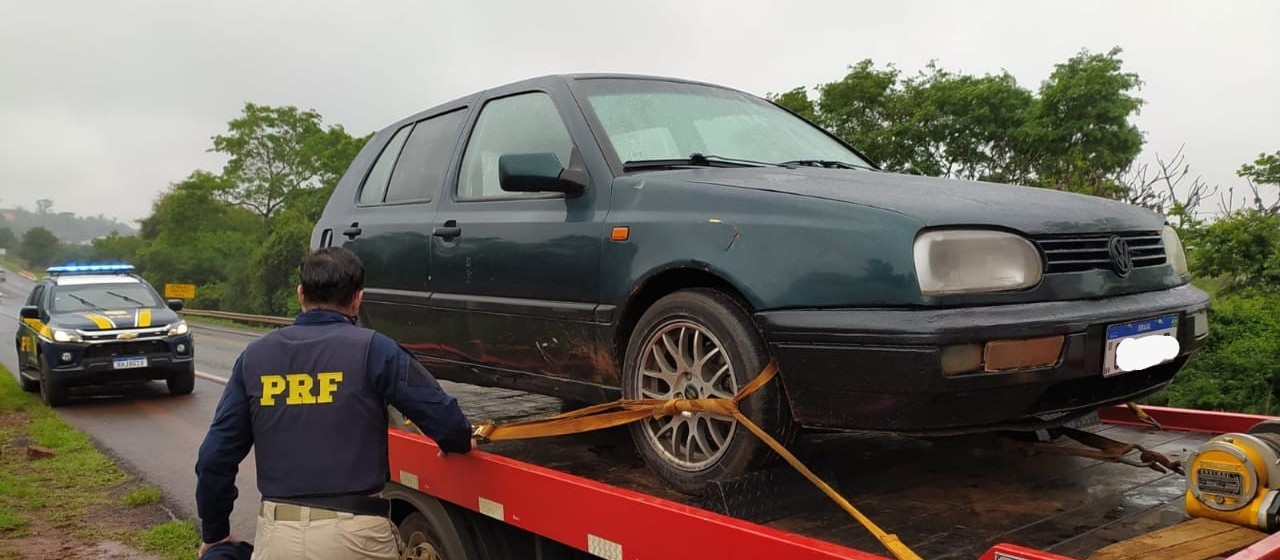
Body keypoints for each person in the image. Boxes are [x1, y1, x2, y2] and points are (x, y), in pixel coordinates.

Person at [194, 247, 474, 559]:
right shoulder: (375, 350)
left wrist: (215, 533)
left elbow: (213, 459)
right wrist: (456, 440)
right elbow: (446, 420)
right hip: (356, 537)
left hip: (277, 538)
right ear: (357, 299)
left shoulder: (253, 357)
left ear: (301, 294)